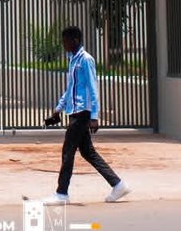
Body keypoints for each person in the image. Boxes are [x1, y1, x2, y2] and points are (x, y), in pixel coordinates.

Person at [43, 25, 129, 204]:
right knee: (88, 152)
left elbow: (93, 88)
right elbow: (70, 89)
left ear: (75, 40)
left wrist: (94, 116)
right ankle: (118, 185)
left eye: (66, 41)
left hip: (82, 113)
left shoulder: (86, 59)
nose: (64, 45)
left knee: (68, 152)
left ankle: (62, 193)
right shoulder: (72, 60)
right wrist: (59, 108)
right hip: (74, 111)